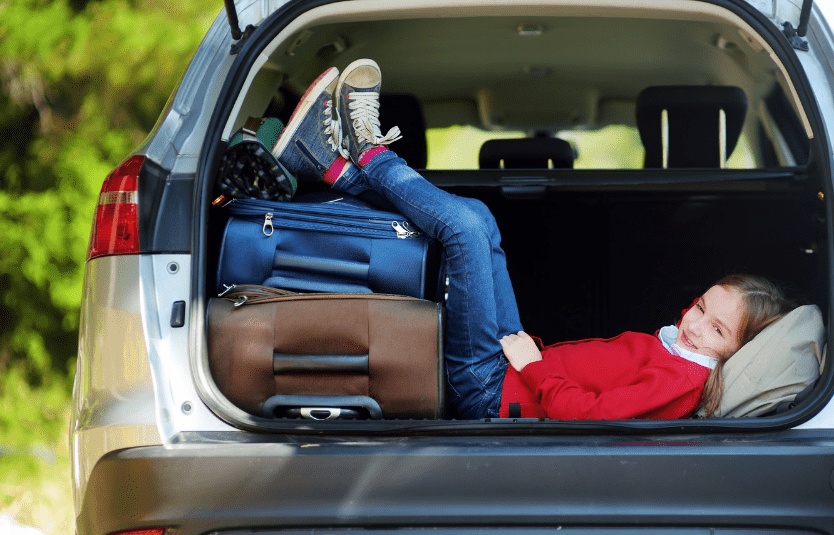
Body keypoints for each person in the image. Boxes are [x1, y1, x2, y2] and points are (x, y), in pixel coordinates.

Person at [270, 59, 795, 420]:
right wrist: (530, 363)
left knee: (465, 227)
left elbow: (594, 418)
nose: (696, 324)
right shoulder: (679, 355)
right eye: (702, 307)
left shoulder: (683, 381)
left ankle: (367, 151)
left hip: (491, 393)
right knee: (478, 217)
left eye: (718, 329)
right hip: (511, 371)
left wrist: (535, 369)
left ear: (737, 352)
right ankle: (329, 166)